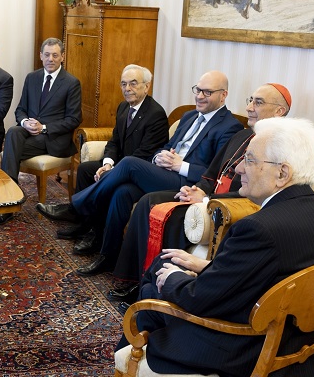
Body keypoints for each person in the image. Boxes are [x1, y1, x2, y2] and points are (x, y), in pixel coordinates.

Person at [117, 117, 314, 376]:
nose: (238, 168)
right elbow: (275, 271)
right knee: (168, 264)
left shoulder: (259, 229)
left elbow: (198, 299)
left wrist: (173, 279)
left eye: (249, 160)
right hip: (298, 340)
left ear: (282, 173)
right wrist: (207, 266)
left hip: (247, 347)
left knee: (152, 292)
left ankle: (126, 363)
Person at [109, 83, 291, 303]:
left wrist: (206, 199)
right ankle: (135, 280)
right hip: (206, 197)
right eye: (250, 100)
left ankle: (164, 291)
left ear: (279, 111)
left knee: (172, 218)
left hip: (225, 206)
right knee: (149, 201)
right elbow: (211, 173)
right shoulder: (242, 135)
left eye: (258, 102)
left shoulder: (279, 147)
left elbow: (255, 193)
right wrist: (197, 188)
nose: (249, 107)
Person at [57, 71, 243, 276]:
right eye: (197, 90)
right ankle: (108, 256)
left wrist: (180, 165)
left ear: (223, 95)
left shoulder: (230, 127)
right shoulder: (189, 116)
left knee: (129, 163)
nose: (199, 96)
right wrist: (159, 157)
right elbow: (166, 147)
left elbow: (215, 172)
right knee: (122, 192)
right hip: (164, 171)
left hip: (185, 181)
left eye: (207, 92)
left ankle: (76, 207)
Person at [36, 64, 170, 250]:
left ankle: (94, 234)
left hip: (138, 172)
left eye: (133, 83)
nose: (127, 88)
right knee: (85, 169)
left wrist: (113, 171)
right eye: (123, 84)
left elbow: (144, 154)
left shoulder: (156, 114)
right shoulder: (123, 107)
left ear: (146, 86)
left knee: (109, 181)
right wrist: (108, 164)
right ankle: (83, 225)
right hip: (120, 165)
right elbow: (114, 142)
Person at [0, 38, 82, 226]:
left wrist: (44, 127)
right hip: (29, 134)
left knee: (10, 151)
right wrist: (25, 122)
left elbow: (74, 119)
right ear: (40, 56)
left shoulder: (71, 83)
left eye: (55, 55)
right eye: (47, 55)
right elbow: (20, 109)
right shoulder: (32, 78)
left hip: (53, 139)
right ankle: (10, 197)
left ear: (62, 56)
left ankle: (8, 201)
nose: (50, 59)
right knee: (14, 131)